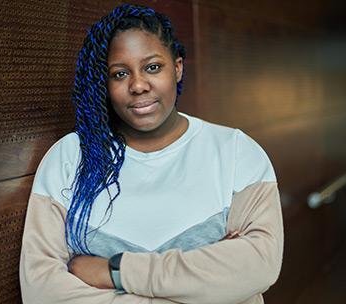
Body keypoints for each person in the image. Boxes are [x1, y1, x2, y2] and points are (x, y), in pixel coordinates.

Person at [19, 4, 283, 304]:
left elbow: (259, 265)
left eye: (153, 67)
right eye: (120, 74)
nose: (138, 85)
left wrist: (115, 272)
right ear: (104, 85)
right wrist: (205, 282)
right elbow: (42, 291)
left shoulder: (235, 152)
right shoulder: (70, 158)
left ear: (178, 67)